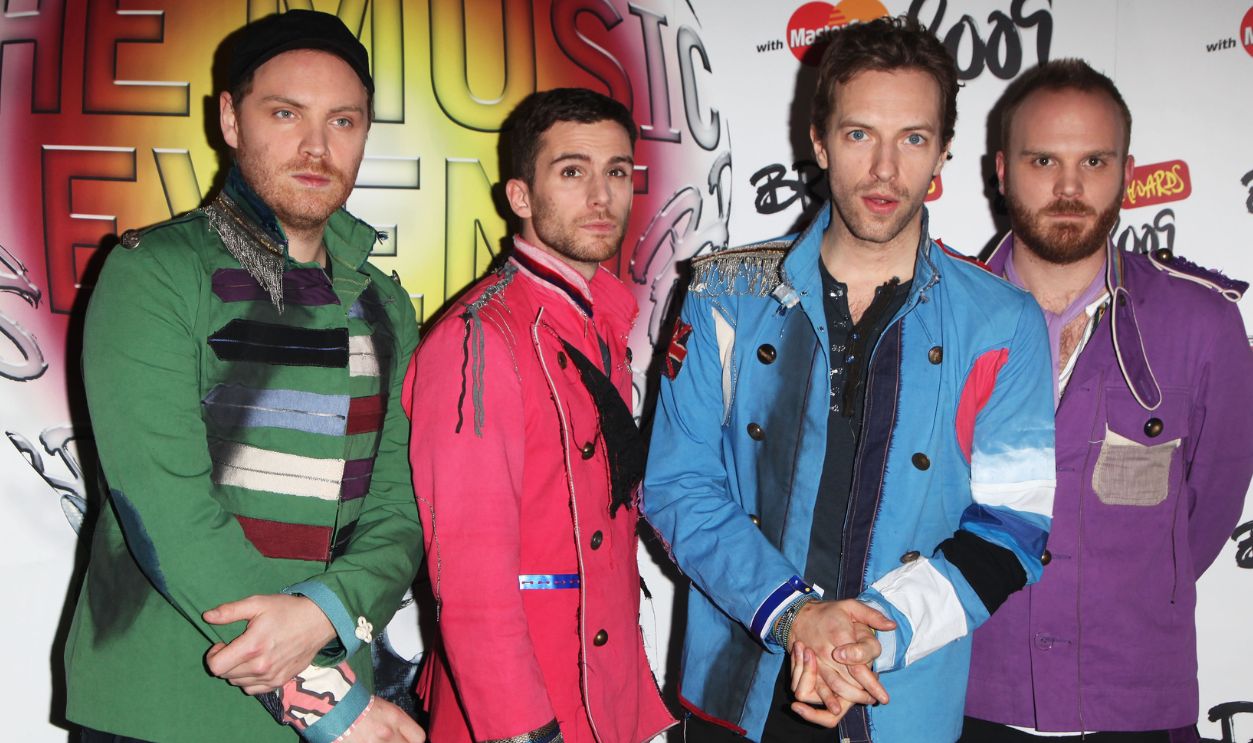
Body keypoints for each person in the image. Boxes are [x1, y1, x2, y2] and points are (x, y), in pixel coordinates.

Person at [642, 16, 1057, 743]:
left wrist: (874, 636)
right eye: (860, 134)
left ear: (944, 153)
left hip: (897, 694)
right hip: (739, 687)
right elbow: (677, 486)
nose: (885, 171)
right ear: (818, 140)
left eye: (913, 139)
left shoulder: (1001, 320)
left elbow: (1013, 526)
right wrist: (796, 615)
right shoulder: (722, 294)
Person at [65, 10, 425, 743]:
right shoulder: (154, 272)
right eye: (285, 113)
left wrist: (327, 612)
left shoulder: (383, 303)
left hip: (340, 674)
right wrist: (326, 703)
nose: (316, 146)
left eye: (344, 121)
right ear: (230, 119)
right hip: (165, 702)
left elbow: (401, 507)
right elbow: (167, 509)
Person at [962, 59, 1253, 743]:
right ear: (1000, 170)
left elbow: (1204, 513)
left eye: (1094, 160)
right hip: (968, 697)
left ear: (1126, 170)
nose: (1068, 186)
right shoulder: (937, 319)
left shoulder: (1202, 326)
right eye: (1042, 160)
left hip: (1136, 706)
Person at [404, 88, 675, 743]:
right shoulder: (480, 338)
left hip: (602, 691)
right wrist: (524, 731)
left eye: (616, 172)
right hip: (524, 706)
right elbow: (468, 579)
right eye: (572, 171)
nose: (602, 196)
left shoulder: (596, 320)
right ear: (520, 196)